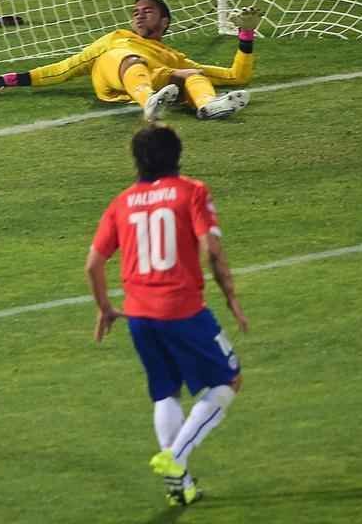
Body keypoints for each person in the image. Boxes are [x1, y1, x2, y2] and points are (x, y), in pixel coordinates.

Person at [85, 124, 249, 507]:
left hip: (139, 316)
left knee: (165, 390)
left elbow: (93, 264)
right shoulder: (192, 192)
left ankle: (179, 487)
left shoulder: (121, 202)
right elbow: (211, 250)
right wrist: (231, 299)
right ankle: (176, 458)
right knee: (229, 381)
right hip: (183, 311)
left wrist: (105, 308)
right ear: (178, 156)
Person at [0, 0, 261, 122]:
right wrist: (5, 79)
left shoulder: (174, 56)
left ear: (165, 21)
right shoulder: (116, 39)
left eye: (147, 10)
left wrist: (245, 35)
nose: (138, 14)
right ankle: (150, 101)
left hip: (154, 77)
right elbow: (63, 70)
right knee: (129, 57)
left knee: (192, 76)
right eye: (135, 11)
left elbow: (237, 77)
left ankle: (208, 107)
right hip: (113, 73)